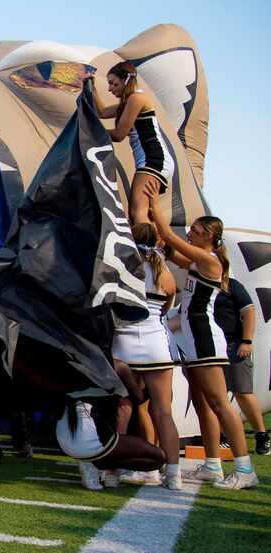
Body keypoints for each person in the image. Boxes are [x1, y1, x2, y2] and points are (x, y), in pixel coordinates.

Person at [150, 198, 259, 489]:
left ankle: (245, 469)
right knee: (201, 403)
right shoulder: (199, 260)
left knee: (220, 404)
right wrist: (157, 241)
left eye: (195, 230)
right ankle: (212, 465)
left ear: (208, 236)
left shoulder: (210, 260)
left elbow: (171, 237)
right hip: (192, 339)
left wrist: (153, 204)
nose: (190, 232)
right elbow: (172, 250)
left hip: (205, 340)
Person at [111, 222, 182, 489]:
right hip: (156, 343)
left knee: (123, 408)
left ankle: (113, 470)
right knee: (164, 411)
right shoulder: (165, 274)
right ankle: (173, 475)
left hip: (124, 343)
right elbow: (166, 307)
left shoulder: (123, 269)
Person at [87, 63, 174, 225]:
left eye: (114, 83)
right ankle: (157, 245)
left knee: (137, 212)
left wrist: (89, 131)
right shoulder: (128, 102)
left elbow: (119, 134)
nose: (110, 89)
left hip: (153, 160)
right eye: (109, 84)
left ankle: (147, 248)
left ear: (126, 81)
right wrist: (91, 86)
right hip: (152, 161)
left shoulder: (136, 99)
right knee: (144, 214)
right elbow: (102, 112)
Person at [213, 277, 268, 455]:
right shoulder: (200, 286)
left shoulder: (231, 285)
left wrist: (246, 341)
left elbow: (249, 312)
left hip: (233, 344)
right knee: (217, 395)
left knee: (243, 392)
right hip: (212, 347)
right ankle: (224, 437)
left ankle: (261, 436)